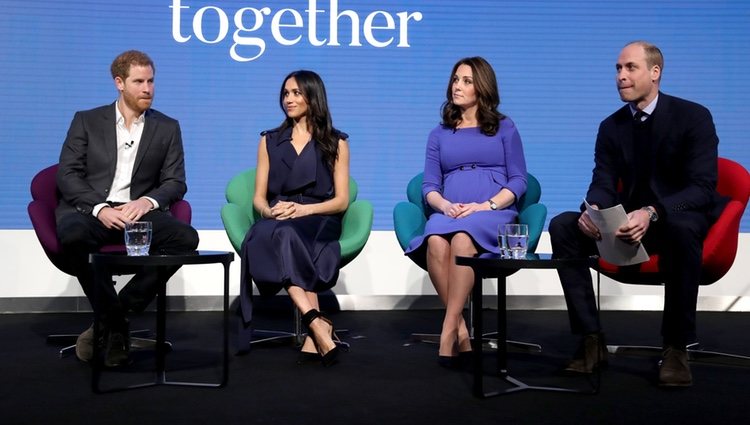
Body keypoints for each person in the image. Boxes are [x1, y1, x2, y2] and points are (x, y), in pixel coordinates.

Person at [549, 41, 727, 387]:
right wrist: (594, 209)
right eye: (618, 69)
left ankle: (676, 347)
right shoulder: (611, 126)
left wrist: (652, 211)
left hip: (675, 216)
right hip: (626, 223)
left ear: (655, 73)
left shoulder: (693, 116)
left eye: (630, 68)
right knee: (563, 226)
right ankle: (590, 340)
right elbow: (602, 180)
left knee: (681, 228)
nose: (621, 76)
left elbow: (702, 187)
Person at [56, 50, 200, 367]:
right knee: (73, 236)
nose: (147, 88)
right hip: (93, 212)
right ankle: (118, 326)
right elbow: (66, 174)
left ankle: (110, 318)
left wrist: (146, 202)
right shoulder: (87, 120)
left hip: (138, 213)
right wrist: (99, 208)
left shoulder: (167, 127)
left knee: (186, 240)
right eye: (139, 81)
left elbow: (176, 182)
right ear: (119, 83)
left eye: (151, 81)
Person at [405, 57, 527, 367]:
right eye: (456, 79)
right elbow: (429, 185)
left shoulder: (504, 127)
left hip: (492, 213)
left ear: (482, 87)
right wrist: (445, 205)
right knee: (435, 239)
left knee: (462, 240)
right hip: (452, 211)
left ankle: (447, 329)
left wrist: (486, 205)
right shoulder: (439, 133)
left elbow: (518, 181)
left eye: (467, 81)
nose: (457, 86)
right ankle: (460, 329)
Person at [239, 70, 350, 366]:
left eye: (296, 93)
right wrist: (268, 211)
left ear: (314, 97)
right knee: (280, 232)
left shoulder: (336, 142)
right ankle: (316, 321)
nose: (289, 99)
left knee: (286, 235)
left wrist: (304, 210)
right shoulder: (269, 141)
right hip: (279, 215)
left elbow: (340, 201)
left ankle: (315, 325)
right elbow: (258, 198)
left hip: (318, 216)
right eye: (286, 93)